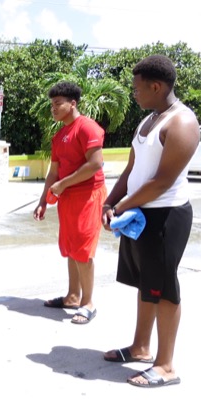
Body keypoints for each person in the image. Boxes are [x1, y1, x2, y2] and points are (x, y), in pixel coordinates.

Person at [101, 55, 199, 387]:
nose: (133, 93)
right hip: (139, 213)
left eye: (137, 87)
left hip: (166, 216)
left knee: (165, 287)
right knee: (146, 283)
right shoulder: (149, 120)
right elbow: (131, 170)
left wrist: (122, 207)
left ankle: (166, 365)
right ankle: (141, 347)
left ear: (156, 86)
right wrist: (110, 201)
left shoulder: (182, 122)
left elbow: (162, 181)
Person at [33, 81, 106, 325]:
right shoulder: (60, 135)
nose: (53, 108)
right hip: (67, 198)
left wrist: (64, 184)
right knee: (71, 248)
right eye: (52, 104)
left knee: (83, 251)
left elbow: (96, 163)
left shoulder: (87, 128)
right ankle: (73, 296)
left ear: (72, 103)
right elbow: (54, 172)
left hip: (88, 196)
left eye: (57, 104)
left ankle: (88, 303)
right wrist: (43, 201)